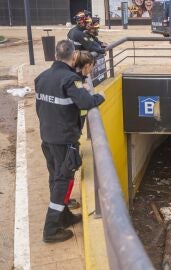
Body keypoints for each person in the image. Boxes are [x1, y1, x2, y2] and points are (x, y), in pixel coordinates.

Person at [35, 40, 105, 243]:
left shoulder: (42, 77)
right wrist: (99, 96)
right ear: (74, 56)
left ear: (56, 55)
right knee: (62, 182)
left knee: (55, 178)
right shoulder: (69, 79)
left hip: (47, 138)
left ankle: (64, 217)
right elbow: (86, 102)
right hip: (64, 140)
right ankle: (51, 230)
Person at [74, 51, 96, 129]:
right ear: (87, 65)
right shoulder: (75, 80)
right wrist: (101, 97)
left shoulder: (79, 78)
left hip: (77, 123)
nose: (92, 69)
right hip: (74, 125)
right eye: (92, 66)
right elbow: (85, 102)